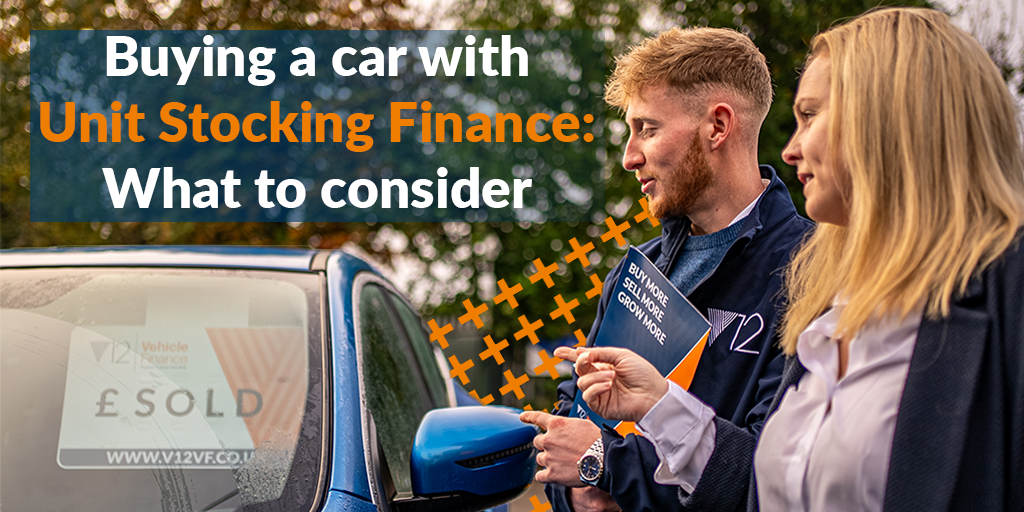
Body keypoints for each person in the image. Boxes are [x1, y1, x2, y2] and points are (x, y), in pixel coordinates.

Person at [566, 7, 1024, 512]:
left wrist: (611, 467)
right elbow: (767, 486)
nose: (789, 148)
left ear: (891, 117)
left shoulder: (996, 291)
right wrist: (617, 444)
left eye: (809, 115)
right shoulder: (840, 301)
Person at [518, 27, 813, 512]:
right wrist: (578, 493)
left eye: (647, 129)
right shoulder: (637, 272)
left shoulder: (812, 271)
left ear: (718, 126)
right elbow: (565, 433)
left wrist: (606, 468)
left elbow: (770, 477)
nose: (630, 156)